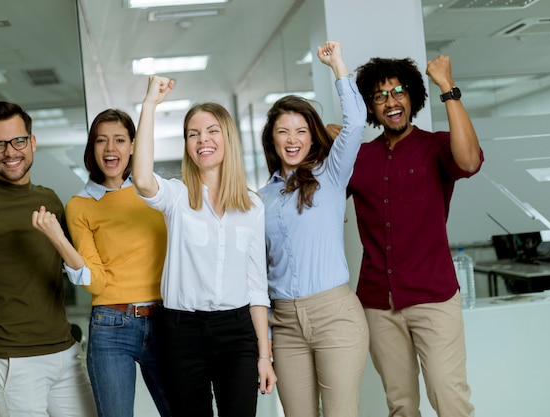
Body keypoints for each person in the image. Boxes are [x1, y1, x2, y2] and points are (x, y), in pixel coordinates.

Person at [0, 101, 97, 417]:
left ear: (32, 142)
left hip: (64, 352)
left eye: (18, 141)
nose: (10, 152)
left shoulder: (48, 198)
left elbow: (79, 266)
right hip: (12, 361)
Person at [131, 75, 276, 417]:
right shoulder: (177, 198)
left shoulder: (252, 207)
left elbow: (257, 288)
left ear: (227, 138)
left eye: (211, 131)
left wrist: (264, 355)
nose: (202, 140)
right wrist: (149, 104)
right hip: (182, 333)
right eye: (193, 134)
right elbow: (140, 179)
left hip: (237, 332)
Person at [346, 55, 483, 417]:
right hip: (378, 302)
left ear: (412, 97)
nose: (391, 102)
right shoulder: (359, 159)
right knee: (401, 405)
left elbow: (469, 161)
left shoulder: (436, 146)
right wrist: (336, 137)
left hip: (433, 297)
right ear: (371, 108)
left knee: (448, 395)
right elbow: (319, 191)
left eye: (398, 92)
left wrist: (447, 88)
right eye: (380, 96)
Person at [31, 109, 172, 417]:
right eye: (101, 141)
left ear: (133, 145)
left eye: (120, 140)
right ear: (91, 148)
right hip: (111, 324)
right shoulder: (80, 205)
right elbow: (95, 282)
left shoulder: (158, 194)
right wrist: (58, 239)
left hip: (166, 321)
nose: (111, 149)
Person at [258, 41, 369, 417]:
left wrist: (338, 65)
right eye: (283, 131)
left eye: (301, 131)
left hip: (335, 315)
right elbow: (259, 270)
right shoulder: (260, 200)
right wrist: (266, 339)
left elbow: (355, 124)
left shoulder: (332, 174)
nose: (292, 140)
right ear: (271, 138)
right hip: (285, 323)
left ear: (312, 135)